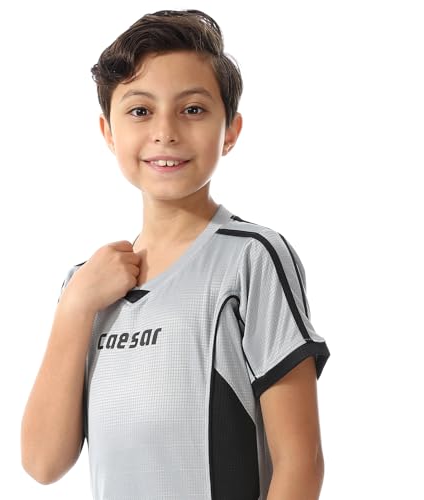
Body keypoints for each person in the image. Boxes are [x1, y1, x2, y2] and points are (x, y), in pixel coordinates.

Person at [21, 9, 330, 499]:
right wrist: (76, 306)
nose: (165, 131)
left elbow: (301, 462)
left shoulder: (250, 259)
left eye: (193, 109)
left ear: (230, 131)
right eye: (140, 111)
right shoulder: (86, 285)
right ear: (108, 132)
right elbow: (43, 463)